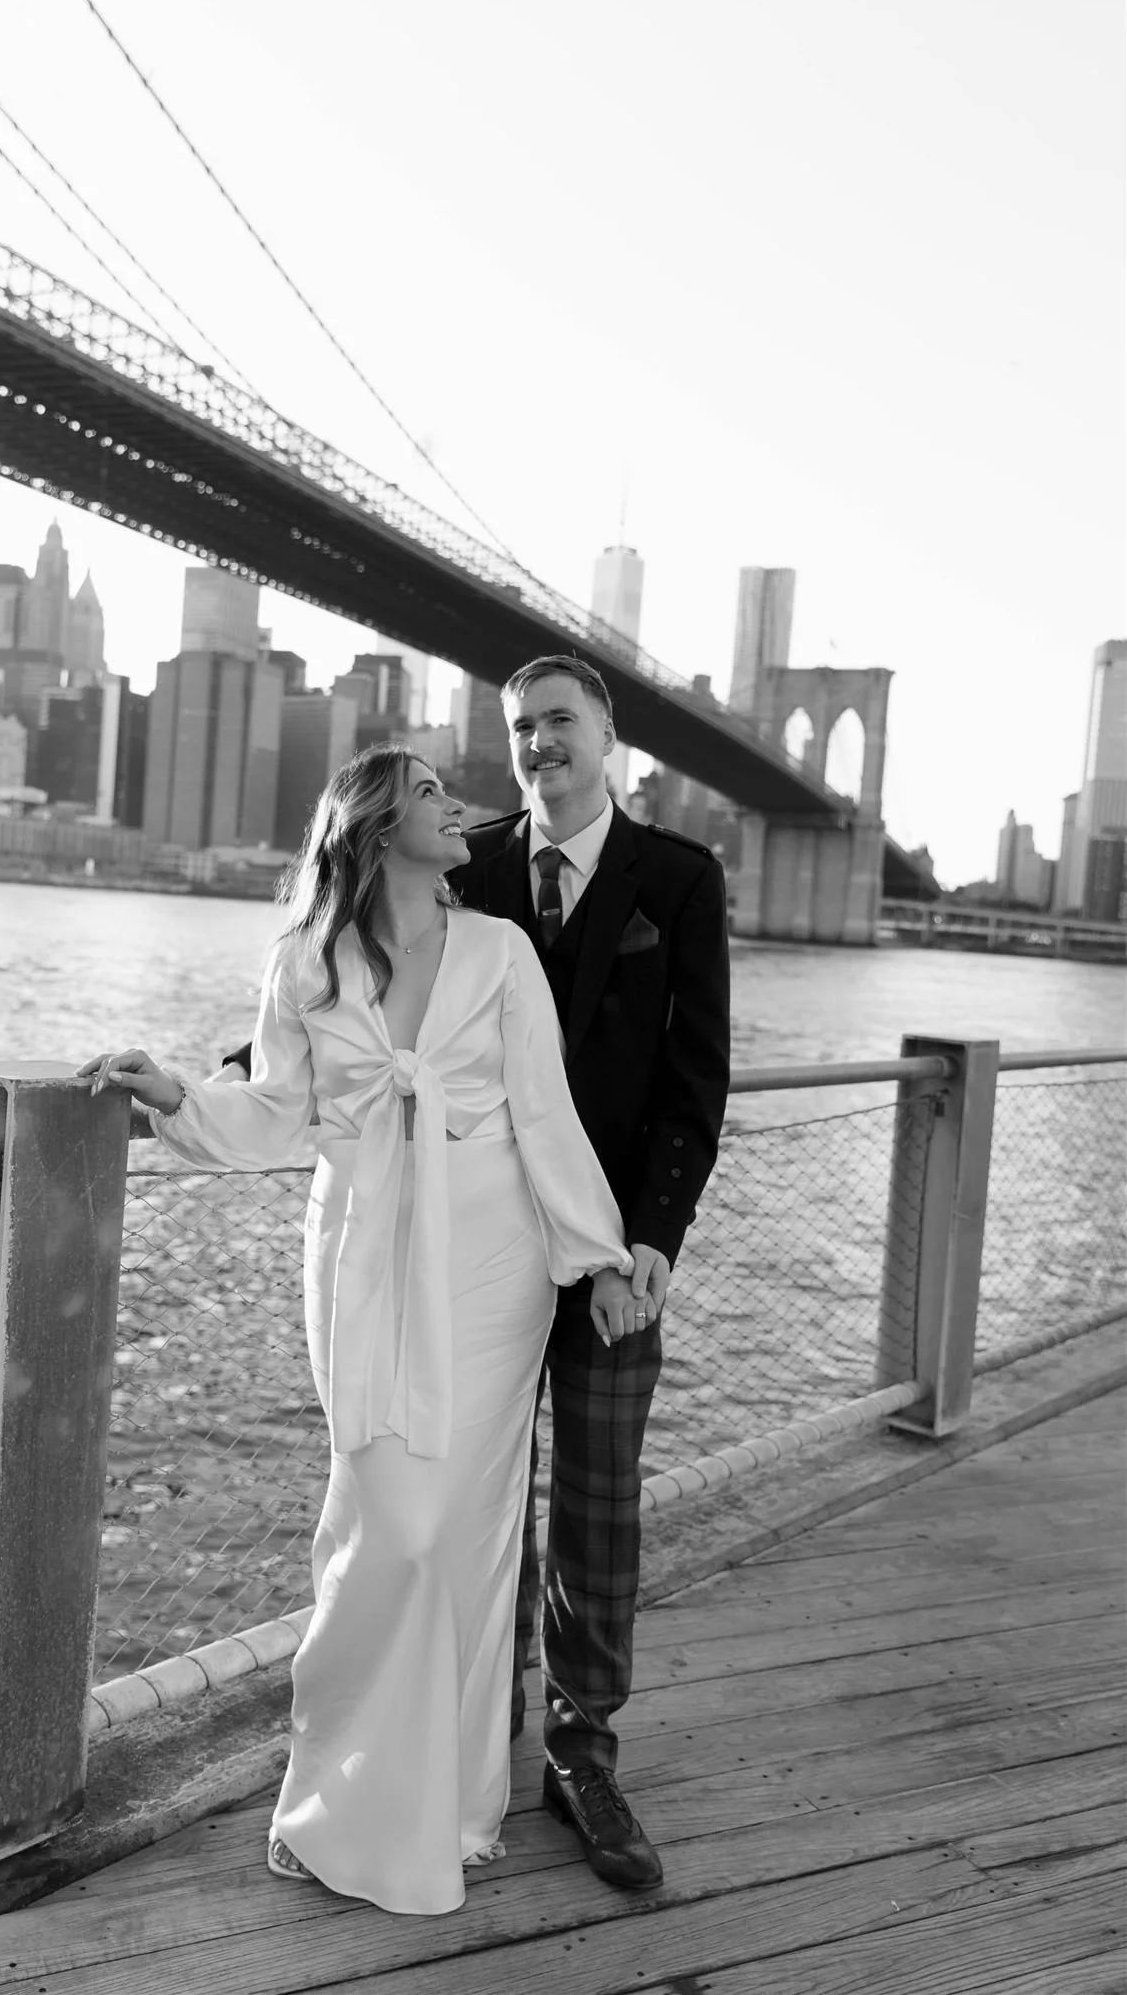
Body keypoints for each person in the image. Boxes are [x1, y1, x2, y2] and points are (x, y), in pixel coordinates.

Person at [78, 743, 650, 1918]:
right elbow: (278, 1109)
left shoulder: (501, 951)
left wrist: (593, 1254)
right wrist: (175, 1092)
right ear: (381, 825)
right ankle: (332, 1796)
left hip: (493, 1267)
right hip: (364, 1262)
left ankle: (444, 1805)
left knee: (460, 1531)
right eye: (433, 793)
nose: (460, 806)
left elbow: (545, 1112)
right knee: (383, 1523)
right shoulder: (303, 960)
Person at [451, 652, 731, 1892]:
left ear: (610, 736)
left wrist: (651, 1246)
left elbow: (694, 1085)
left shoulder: (679, 879)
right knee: (475, 1503)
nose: (537, 742)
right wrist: (243, 1066)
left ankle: (583, 1752)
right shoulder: (465, 864)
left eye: (560, 720)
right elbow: (381, 992)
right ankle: (472, 1742)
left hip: (609, 1256)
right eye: (519, 726)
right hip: (484, 1248)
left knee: (599, 1510)